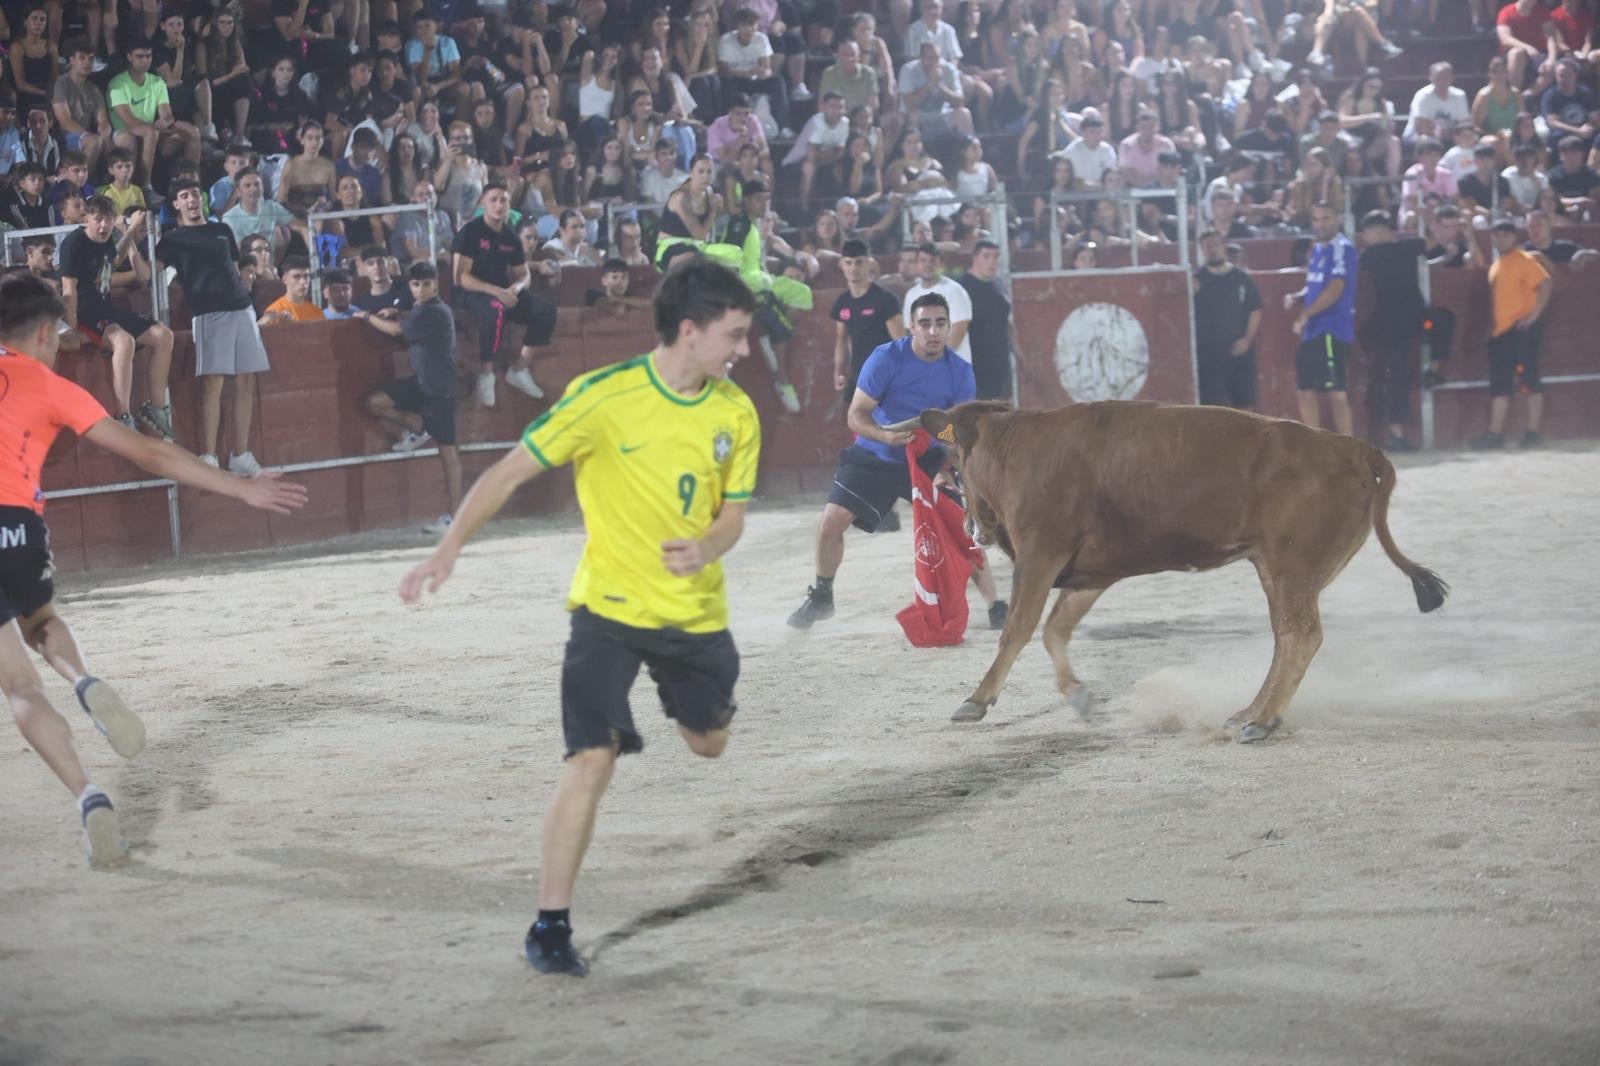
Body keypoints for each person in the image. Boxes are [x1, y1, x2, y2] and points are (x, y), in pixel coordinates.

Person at [397, 261, 761, 978]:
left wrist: (709, 545)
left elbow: (735, 514)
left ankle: (689, 707)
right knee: (590, 759)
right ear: (689, 332)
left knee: (709, 743)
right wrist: (448, 550)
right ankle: (551, 925)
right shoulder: (603, 398)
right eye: (735, 335)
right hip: (606, 612)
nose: (743, 351)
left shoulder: (734, 412)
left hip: (693, 614)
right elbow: (506, 472)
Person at [0, 273, 307, 867]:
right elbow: (149, 451)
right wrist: (238, 486)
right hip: (18, 525)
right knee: (41, 621)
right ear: (41, 333)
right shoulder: (49, 383)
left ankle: (88, 795)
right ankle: (85, 680)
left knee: (20, 689)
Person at [788, 292, 1007, 630]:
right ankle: (822, 595)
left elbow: (955, 433)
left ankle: (995, 605)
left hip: (928, 456)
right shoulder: (886, 358)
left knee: (961, 526)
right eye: (924, 324)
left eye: (940, 324)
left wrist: (948, 465)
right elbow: (856, 415)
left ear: (949, 327)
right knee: (832, 521)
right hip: (876, 451)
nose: (933, 331)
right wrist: (886, 437)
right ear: (910, 326)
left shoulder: (960, 371)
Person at [155, 178, 271, 475]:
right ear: (176, 204)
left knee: (246, 379)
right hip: (208, 313)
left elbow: (233, 269)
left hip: (241, 309)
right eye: (185, 195)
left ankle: (240, 454)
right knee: (213, 383)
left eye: (195, 193)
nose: (192, 199)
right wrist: (129, 236)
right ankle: (208, 455)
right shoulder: (172, 239)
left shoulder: (222, 229)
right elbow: (149, 272)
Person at [58, 200, 176, 441]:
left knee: (164, 335)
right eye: (98, 219)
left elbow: (115, 256)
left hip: (106, 307)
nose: (103, 225)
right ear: (86, 220)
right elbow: (68, 290)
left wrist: (130, 230)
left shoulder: (108, 238)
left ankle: (155, 407)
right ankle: (123, 415)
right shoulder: (74, 243)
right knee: (124, 341)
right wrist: (70, 329)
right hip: (85, 312)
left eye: (108, 219)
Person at [358, 262, 460, 533]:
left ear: (435, 284)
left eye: (425, 284)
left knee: (447, 451)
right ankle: (416, 427)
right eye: (416, 284)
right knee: (374, 402)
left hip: (439, 388)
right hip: (421, 384)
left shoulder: (435, 311)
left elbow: (396, 331)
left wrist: (366, 317)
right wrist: (398, 310)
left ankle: (456, 516)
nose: (420, 289)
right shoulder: (423, 309)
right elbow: (408, 320)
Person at [452, 183, 558, 406]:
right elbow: (461, 277)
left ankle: (519, 369)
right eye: (493, 200)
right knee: (495, 309)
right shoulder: (470, 232)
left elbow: (524, 275)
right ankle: (486, 373)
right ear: (483, 202)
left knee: (545, 310)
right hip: (471, 292)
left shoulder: (510, 236)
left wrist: (515, 289)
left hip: (501, 290)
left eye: (504, 200)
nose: (499, 205)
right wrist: (497, 292)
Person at [1472, 220, 1553, 449]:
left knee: (1529, 379)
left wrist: (1534, 315)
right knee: (1500, 383)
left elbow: (1546, 282)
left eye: (1506, 235)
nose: (1500, 239)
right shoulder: (1496, 264)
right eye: (1497, 235)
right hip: (1502, 331)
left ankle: (1533, 433)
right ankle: (1495, 434)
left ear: (1513, 238)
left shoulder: (1524, 260)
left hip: (1522, 328)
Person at [1356, 210, 1430, 451]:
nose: (1364, 237)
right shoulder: (1408, 247)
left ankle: (1396, 432)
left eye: (1367, 232)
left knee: (1394, 375)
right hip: (1413, 318)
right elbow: (1433, 241)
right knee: (1398, 373)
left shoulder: (1371, 254)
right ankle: (1397, 431)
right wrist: (1426, 219)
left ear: (1378, 231)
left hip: (1390, 323)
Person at [1284, 201, 1358, 436]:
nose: (1320, 224)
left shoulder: (1341, 248)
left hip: (1332, 328)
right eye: (1316, 219)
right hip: (1314, 329)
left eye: (1326, 218)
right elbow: (1317, 286)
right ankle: (1315, 449)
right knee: (1305, 389)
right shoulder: (1317, 249)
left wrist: (1306, 313)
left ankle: (1347, 450)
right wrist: (1299, 297)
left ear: (1337, 219)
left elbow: (1336, 288)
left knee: (1336, 392)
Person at [1192, 228, 1262, 410]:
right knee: (1211, 409)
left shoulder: (1242, 278)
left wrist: (1247, 339)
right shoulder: (1195, 280)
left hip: (1237, 352)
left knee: (1244, 406)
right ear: (1201, 249)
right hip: (1207, 355)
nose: (1212, 249)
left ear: (1224, 246)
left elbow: (1255, 309)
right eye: (1207, 246)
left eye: (1216, 245)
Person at [830, 237, 904, 401]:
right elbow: (841, 341)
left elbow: (901, 343)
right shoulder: (842, 303)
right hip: (860, 376)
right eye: (848, 262)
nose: (853, 268)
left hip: (887, 377)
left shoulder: (886, 300)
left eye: (858, 262)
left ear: (869, 263)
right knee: (857, 424)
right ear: (842, 265)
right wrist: (839, 372)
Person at [957, 238, 1016, 400]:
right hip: (976, 363)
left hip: (1001, 362)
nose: (992, 261)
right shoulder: (962, 287)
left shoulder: (998, 283)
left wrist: (1020, 357)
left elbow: (1007, 324)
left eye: (996, 257)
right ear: (975, 257)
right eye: (986, 256)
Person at [901, 243, 972, 363]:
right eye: (923, 260)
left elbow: (957, 334)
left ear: (941, 264)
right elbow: (910, 333)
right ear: (917, 264)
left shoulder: (955, 291)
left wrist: (933, 364)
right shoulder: (911, 295)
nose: (928, 265)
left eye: (933, 261)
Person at [261, 257, 324, 323]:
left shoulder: (317, 312)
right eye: (296, 277)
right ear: (285, 279)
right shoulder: (274, 312)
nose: (303, 281)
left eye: (306, 276)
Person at [584, 258, 651, 317]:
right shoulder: (593, 294)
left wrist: (615, 299)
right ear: (604, 281)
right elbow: (619, 311)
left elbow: (649, 304)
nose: (620, 282)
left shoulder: (628, 296)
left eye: (624, 277)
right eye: (615, 277)